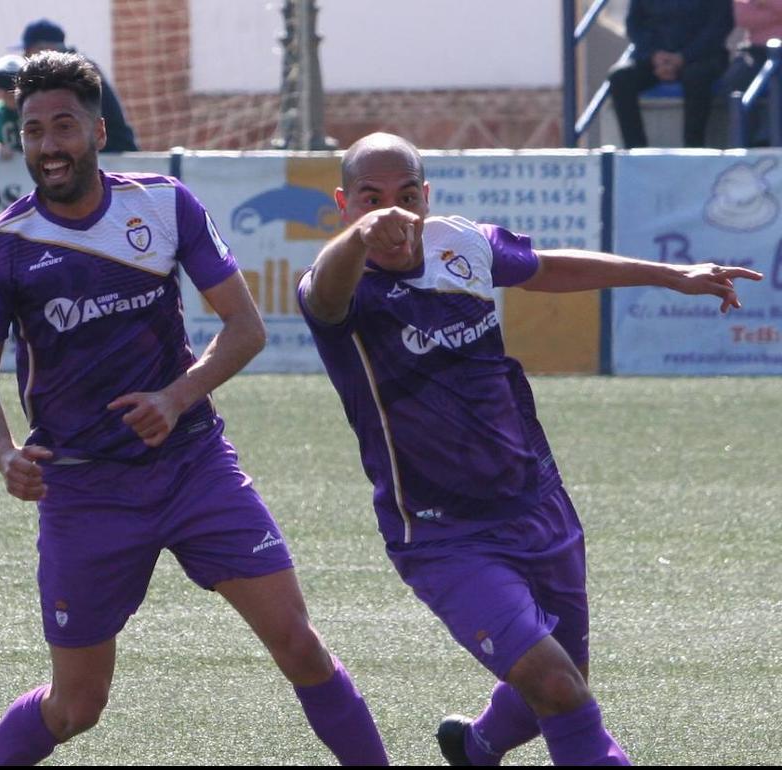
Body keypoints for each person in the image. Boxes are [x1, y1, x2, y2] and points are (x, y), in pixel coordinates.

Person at [0, 52, 388, 766]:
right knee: (76, 707)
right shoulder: (0, 250)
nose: (50, 146)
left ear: (97, 131)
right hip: (85, 489)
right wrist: (3, 453)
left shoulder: (163, 204)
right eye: (33, 132)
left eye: (64, 126)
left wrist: (176, 395)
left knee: (299, 644)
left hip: (192, 466)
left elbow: (245, 329)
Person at [298, 132, 763, 766]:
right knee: (556, 687)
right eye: (371, 199)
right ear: (343, 205)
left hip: (535, 500)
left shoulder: (460, 244)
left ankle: (476, 746)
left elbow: (548, 267)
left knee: (564, 675)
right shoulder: (340, 288)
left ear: (426, 197)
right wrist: (359, 238)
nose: (393, 214)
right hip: (442, 532)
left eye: (407, 196)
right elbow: (323, 294)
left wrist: (671, 275)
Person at [0, 18, 138, 152]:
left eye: (27, 53)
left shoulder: (74, 68)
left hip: (117, 158)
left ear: (42, 49)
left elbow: (18, 79)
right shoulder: (75, 66)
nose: (26, 60)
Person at [608, 0, 735, 148]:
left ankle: (694, 149)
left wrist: (683, 57)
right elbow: (634, 24)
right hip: (655, 58)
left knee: (696, 77)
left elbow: (720, 25)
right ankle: (636, 151)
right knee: (620, 78)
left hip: (703, 57)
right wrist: (654, 56)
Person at [725, 0, 782, 145]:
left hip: (778, 54)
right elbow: (743, 18)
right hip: (755, 52)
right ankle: (747, 143)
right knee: (737, 78)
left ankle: (771, 138)